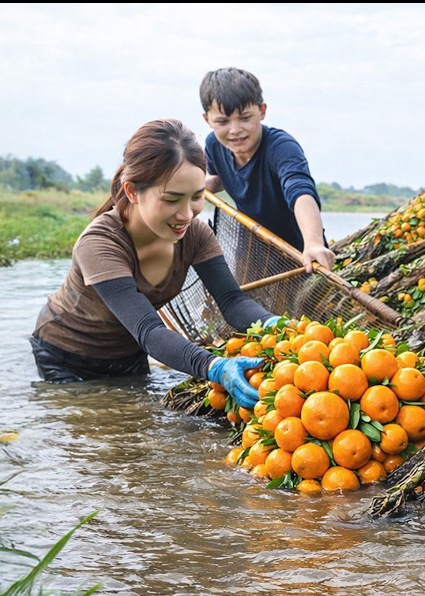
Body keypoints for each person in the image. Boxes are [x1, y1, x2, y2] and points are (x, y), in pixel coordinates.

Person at [31, 119, 277, 409]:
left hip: (128, 352)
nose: (187, 214)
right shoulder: (99, 243)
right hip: (67, 355)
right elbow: (149, 330)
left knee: (139, 426)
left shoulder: (195, 234)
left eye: (197, 197)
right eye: (172, 199)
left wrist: (278, 326)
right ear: (133, 192)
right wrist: (215, 367)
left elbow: (232, 301)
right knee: (97, 437)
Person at [199, 67, 335, 274]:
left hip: (297, 253)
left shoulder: (281, 147)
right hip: (252, 249)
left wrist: (314, 243)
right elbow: (222, 177)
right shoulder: (214, 145)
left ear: (262, 111)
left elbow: (300, 191)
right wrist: (196, 188)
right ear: (207, 120)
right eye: (223, 122)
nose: (235, 130)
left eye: (245, 118)